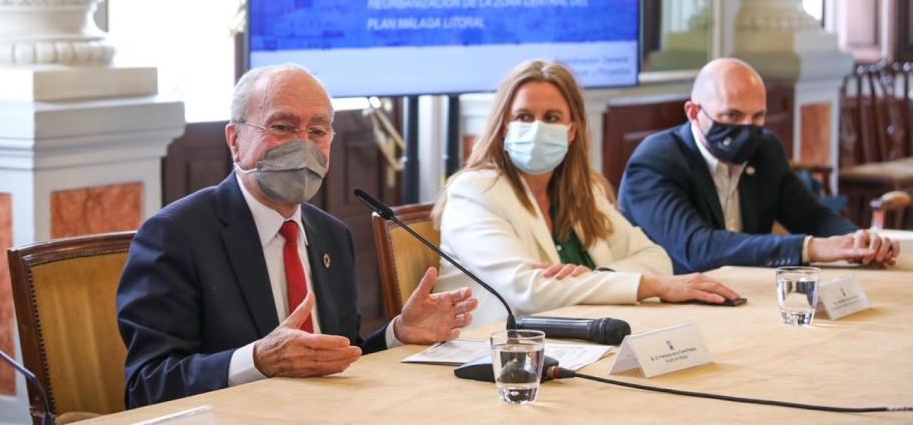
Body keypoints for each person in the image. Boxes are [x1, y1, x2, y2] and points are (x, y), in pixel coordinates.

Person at [117, 64, 477, 407]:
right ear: (235, 139)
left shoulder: (332, 235)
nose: (303, 145)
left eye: (318, 131)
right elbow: (148, 386)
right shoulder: (176, 235)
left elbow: (336, 356)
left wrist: (398, 334)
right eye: (283, 127)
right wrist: (256, 360)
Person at [433, 60, 740, 327]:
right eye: (524, 117)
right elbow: (529, 290)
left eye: (552, 117)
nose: (537, 128)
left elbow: (655, 258)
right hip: (491, 352)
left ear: (572, 131)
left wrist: (596, 275)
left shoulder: (584, 192)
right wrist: (651, 286)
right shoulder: (475, 192)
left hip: (578, 344)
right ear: (503, 128)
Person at [619, 57, 900, 274]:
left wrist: (858, 241)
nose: (747, 128)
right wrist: (810, 248)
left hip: (747, 292)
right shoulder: (655, 161)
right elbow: (696, 248)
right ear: (694, 112)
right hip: (671, 304)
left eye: (758, 117)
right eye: (732, 115)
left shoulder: (764, 149)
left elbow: (812, 216)